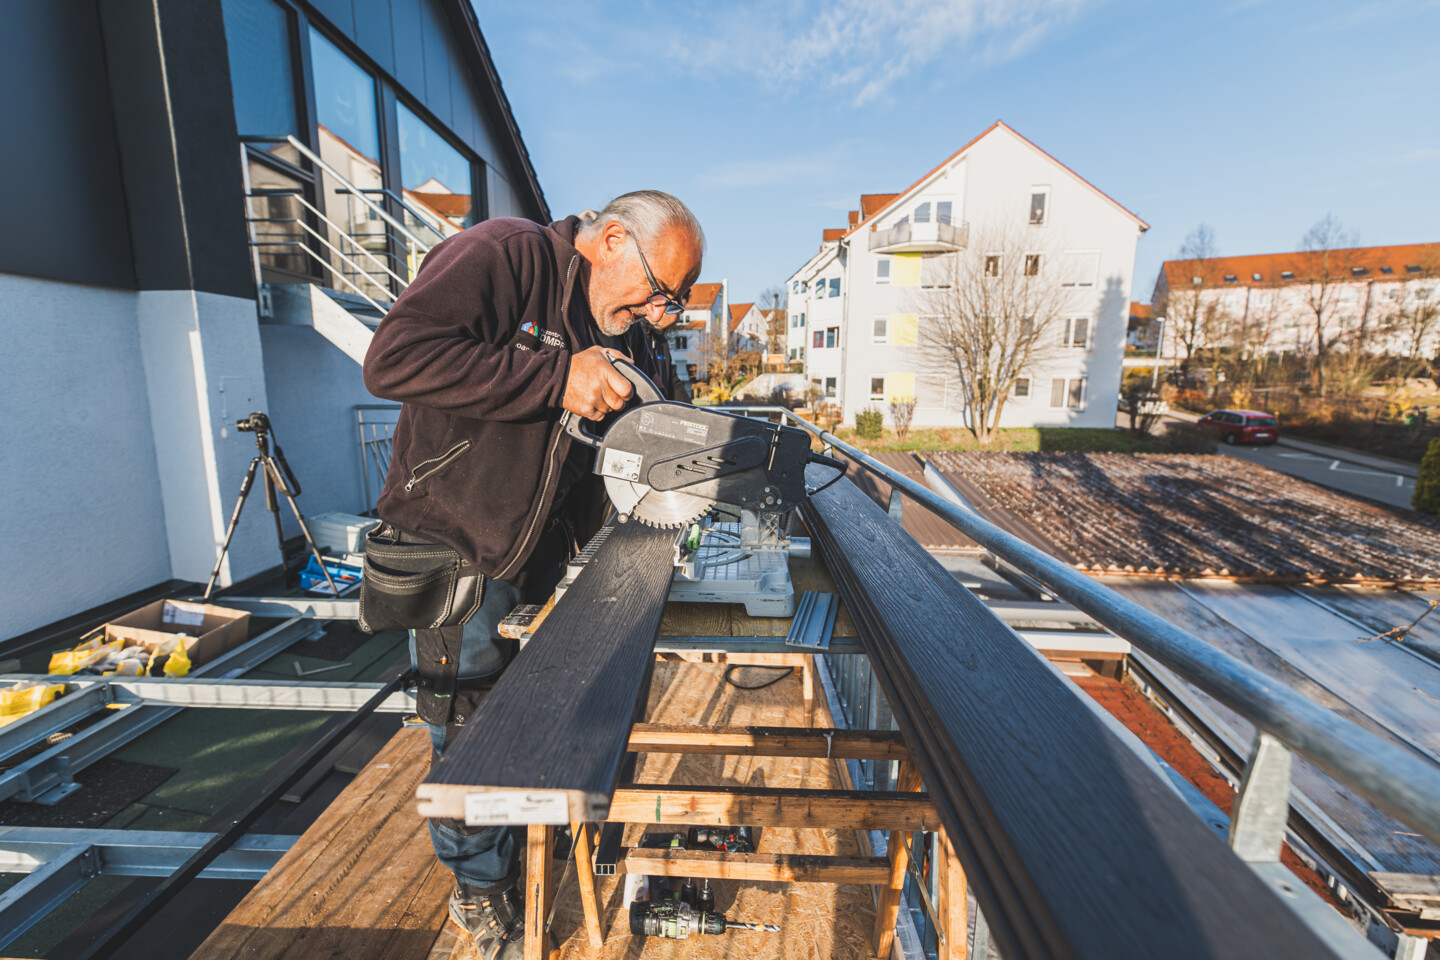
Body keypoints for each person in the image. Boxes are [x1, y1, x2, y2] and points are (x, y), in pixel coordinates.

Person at [362, 191, 704, 958]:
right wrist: (556, 378)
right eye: (660, 290)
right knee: (469, 731)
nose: (661, 313)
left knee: (533, 717)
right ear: (612, 239)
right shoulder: (504, 256)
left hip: (545, 556)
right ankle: (478, 891)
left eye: (674, 301)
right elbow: (393, 358)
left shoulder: (620, 326)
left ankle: (519, 856)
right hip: (459, 545)